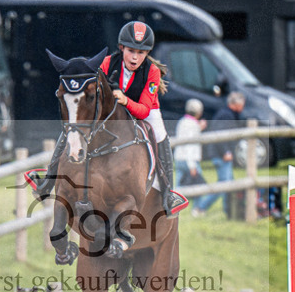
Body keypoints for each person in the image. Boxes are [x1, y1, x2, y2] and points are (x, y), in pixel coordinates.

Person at [30, 20, 186, 216]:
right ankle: (48, 180)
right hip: (116, 109)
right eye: (131, 51)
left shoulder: (152, 72)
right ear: (121, 48)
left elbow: (143, 110)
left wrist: (126, 101)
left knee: (160, 133)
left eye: (141, 53)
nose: (135, 57)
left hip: (144, 108)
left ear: (147, 54)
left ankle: (168, 192)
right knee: (76, 127)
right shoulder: (107, 63)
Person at [192, 91, 245, 217]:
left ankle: (229, 211)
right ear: (236, 104)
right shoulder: (226, 115)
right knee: (223, 185)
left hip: (221, 154)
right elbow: (220, 135)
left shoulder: (226, 114)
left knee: (229, 185)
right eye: (242, 104)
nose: (243, 107)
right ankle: (200, 208)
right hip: (221, 155)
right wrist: (226, 152)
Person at [174, 99, 206, 188]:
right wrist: (192, 166)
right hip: (190, 160)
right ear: (199, 112)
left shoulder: (182, 121)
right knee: (200, 187)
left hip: (179, 158)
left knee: (179, 189)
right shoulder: (193, 125)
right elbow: (190, 145)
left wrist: (199, 128)